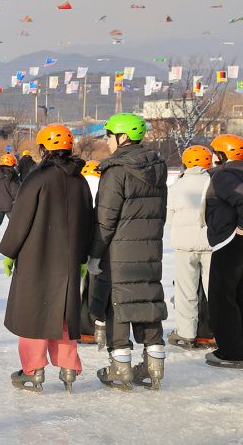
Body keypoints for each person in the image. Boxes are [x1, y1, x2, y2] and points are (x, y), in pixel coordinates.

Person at [0, 124, 93, 393]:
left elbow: (21, 218)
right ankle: (68, 368)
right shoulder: (80, 180)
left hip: (36, 257)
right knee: (62, 313)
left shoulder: (37, 178)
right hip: (69, 259)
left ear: (43, 149)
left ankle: (33, 370)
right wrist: (83, 256)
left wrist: (9, 252)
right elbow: (88, 220)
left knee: (33, 313)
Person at [90, 113, 168, 391]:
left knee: (119, 303)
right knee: (147, 300)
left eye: (109, 136)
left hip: (119, 252)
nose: (107, 141)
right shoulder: (157, 168)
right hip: (150, 248)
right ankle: (154, 366)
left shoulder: (116, 171)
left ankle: (120, 367)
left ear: (123, 137)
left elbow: (105, 219)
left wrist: (94, 253)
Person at [166, 145, 214, 350]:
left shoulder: (176, 186)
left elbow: (169, 218)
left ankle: (186, 333)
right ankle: (218, 332)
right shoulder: (214, 182)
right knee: (214, 290)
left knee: (186, 291)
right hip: (211, 244)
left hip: (184, 246)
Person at [203, 134, 243, 369]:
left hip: (229, 242)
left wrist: (241, 228)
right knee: (238, 295)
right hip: (234, 242)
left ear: (223, 154)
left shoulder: (225, 174)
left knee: (222, 299)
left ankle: (231, 351)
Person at [78, 160, 105, 345]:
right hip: (99, 244)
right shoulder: (104, 188)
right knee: (96, 287)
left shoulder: (78, 186)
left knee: (78, 287)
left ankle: (77, 327)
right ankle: (96, 326)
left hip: (79, 245)